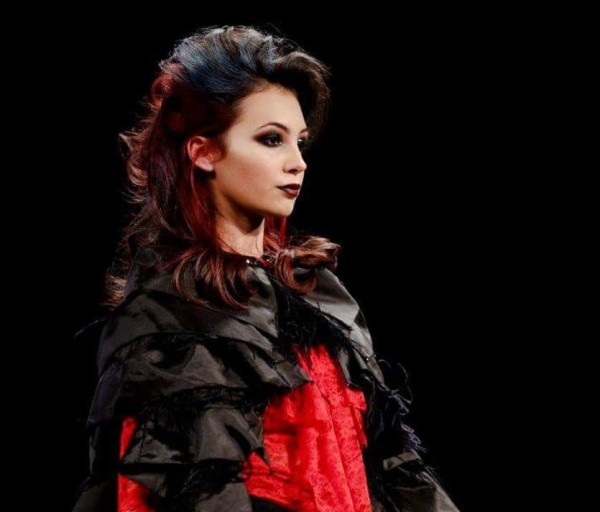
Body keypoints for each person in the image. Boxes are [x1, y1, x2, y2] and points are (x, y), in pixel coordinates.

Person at [72, 24, 460, 512]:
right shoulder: (168, 316)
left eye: (300, 142)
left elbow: (390, 471)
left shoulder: (316, 299)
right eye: (271, 139)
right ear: (204, 151)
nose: (298, 162)